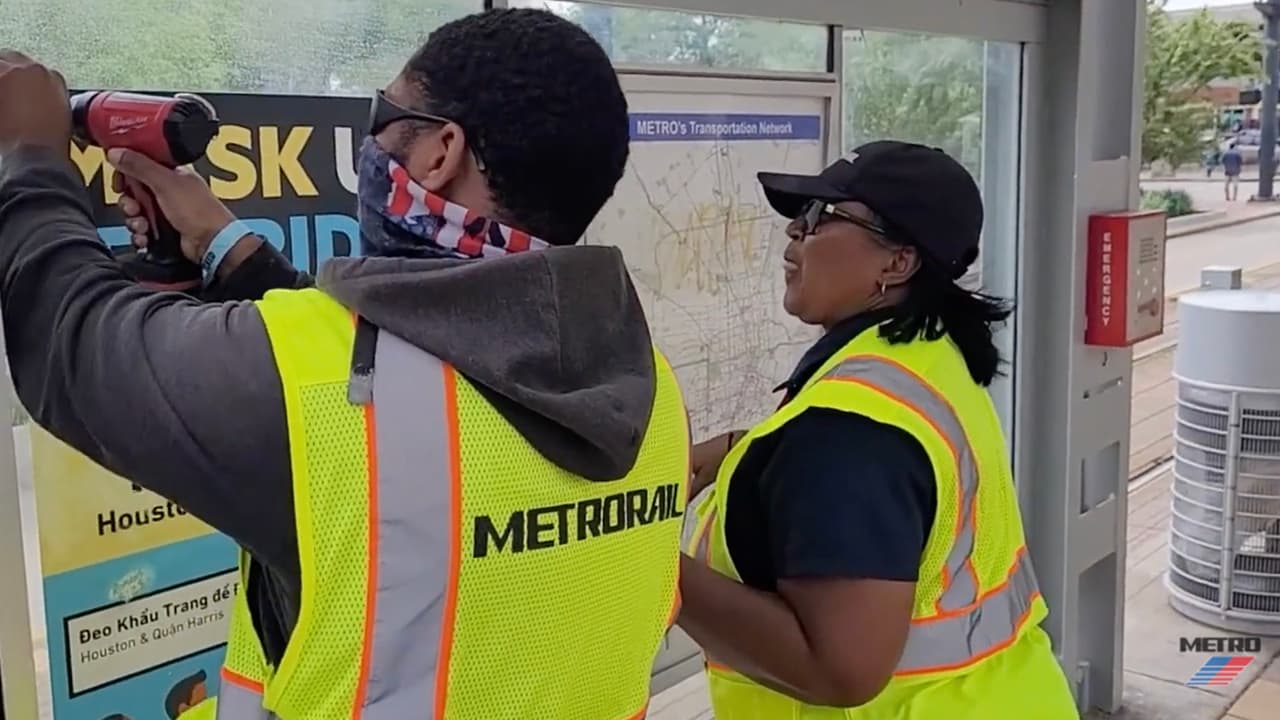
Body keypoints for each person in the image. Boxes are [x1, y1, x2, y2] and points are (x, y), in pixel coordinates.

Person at [0, 9, 689, 719]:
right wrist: (226, 249)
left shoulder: (328, 400)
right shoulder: (651, 389)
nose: (372, 139)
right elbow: (410, 380)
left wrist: (29, 155)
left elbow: (70, 342)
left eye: (384, 114)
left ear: (440, 151)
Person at [676, 142, 1080, 719]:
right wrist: (750, 454)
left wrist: (648, 564)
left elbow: (838, 670)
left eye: (822, 217)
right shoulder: (925, 353)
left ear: (898, 263)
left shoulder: (846, 436)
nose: (795, 230)